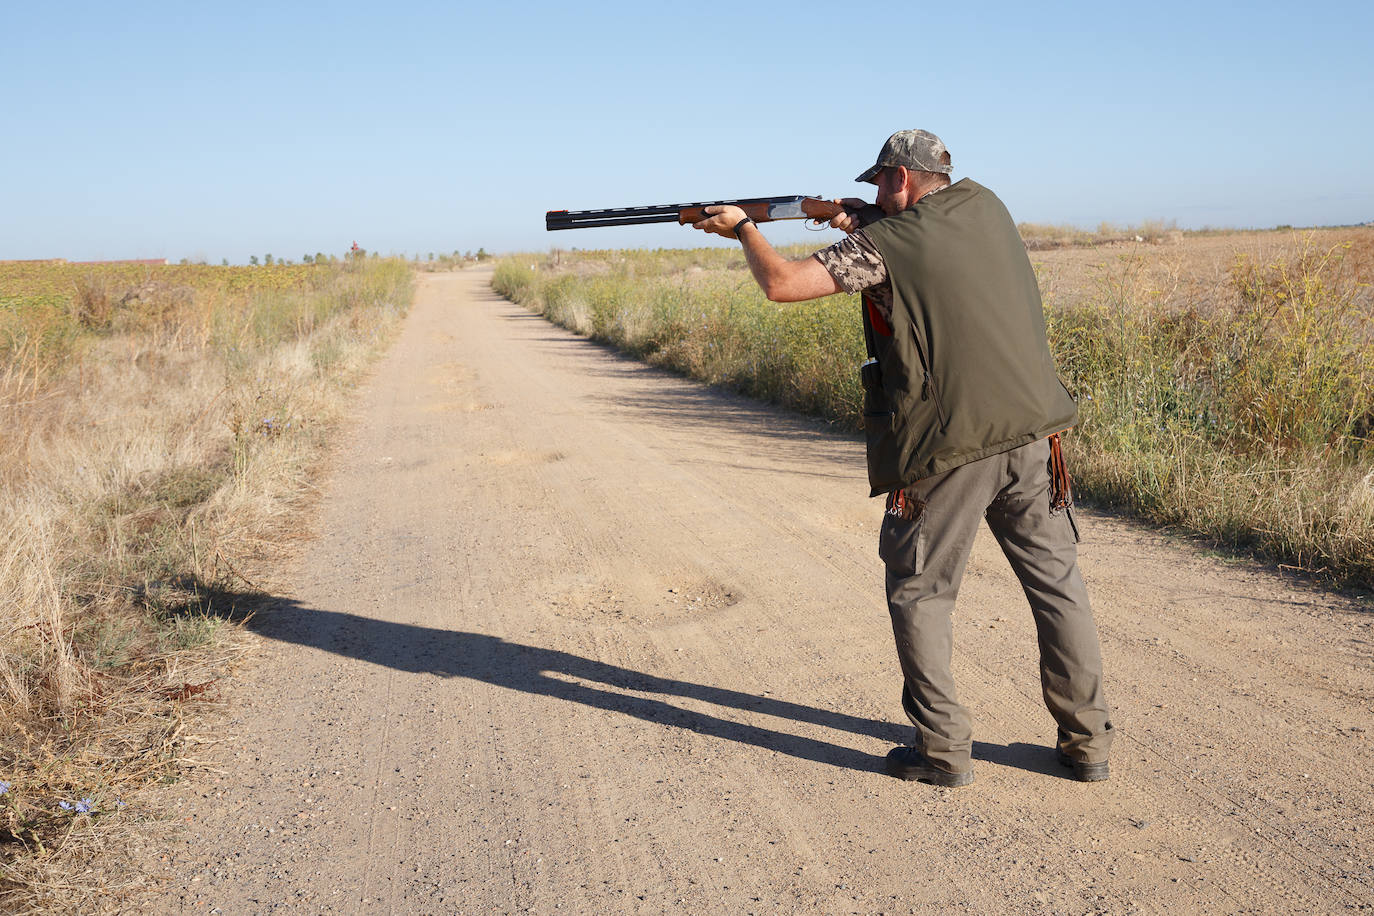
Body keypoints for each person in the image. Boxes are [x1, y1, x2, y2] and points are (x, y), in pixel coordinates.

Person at [687, 129, 1114, 787]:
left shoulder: (886, 243)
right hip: (1035, 435)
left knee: (920, 592)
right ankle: (1088, 745)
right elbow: (928, 245)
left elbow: (783, 284)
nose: (875, 194)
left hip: (948, 448)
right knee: (1057, 587)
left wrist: (744, 227)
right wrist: (839, 217)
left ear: (901, 182)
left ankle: (942, 750)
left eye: (880, 183)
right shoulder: (986, 207)